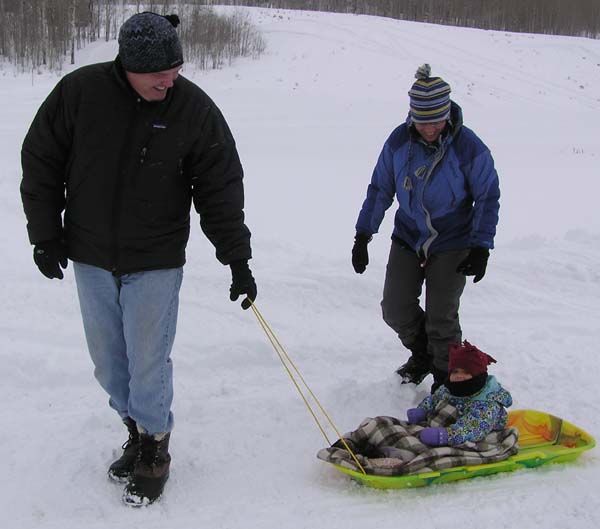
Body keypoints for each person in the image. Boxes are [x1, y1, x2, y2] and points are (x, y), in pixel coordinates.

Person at [20, 12, 257, 506]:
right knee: (109, 362)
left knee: (148, 361)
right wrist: (45, 235)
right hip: (89, 253)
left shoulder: (191, 109)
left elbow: (220, 186)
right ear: (128, 65)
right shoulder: (80, 93)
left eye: (175, 69)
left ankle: (155, 446)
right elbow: (41, 160)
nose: (169, 80)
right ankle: (135, 427)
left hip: (155, 258)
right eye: (158, 73)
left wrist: (236, 258)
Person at [352, 64, 500, 392]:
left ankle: (447, 377)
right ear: (411, 116)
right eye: (422, 121)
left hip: (453, 239)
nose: (429, 128)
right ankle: (423, 354)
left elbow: (487, 196)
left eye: (435, 120)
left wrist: (481, 245)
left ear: (447, 115)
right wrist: (363, 234)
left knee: (442, 318)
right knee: (395, 308)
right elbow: (380, 188)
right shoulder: (398, 142)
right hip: (408, 234)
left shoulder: (468, 147)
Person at [406, 341, 513, 446]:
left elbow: (473, 428)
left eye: (466, 372)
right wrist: (423, 411)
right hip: (449, 424)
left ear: (478, 376)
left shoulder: (486, 403)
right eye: (455, 371)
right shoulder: (449, 388)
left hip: (478, 434)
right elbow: (434, 399)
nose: (459, 376)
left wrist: (447, 436)